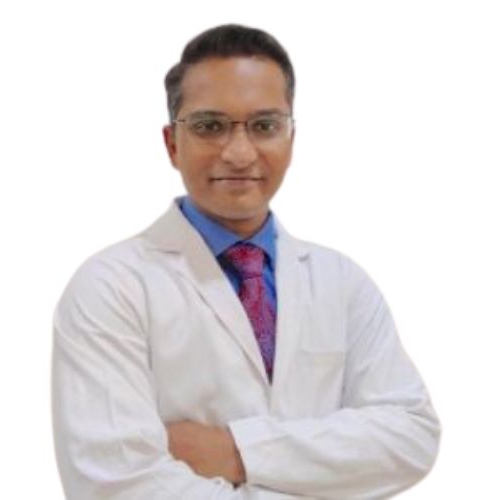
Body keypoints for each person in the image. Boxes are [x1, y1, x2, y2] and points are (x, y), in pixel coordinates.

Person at [52, 24, 440, 500]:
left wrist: (235, 450)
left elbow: (411, 436)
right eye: (209, 126)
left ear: (291, 139)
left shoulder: (342, 282)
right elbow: (114, 484)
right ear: (172, 144)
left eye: (264, 126)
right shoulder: (110, 287)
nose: (239, 153)